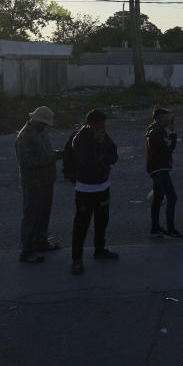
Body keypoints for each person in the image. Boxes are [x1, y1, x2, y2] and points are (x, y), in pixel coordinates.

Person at [68, 109, 119, 275]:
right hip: (85, 189)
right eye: (99, 124)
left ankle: (100, 249)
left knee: (102, 221)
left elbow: (113, 155)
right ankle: (77, 260)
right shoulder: (80, 139)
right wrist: (98, 145)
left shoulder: (104, 136)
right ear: (90, 124)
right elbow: (88, 163)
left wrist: (102, 143)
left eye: (104, 124)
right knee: (81, 225)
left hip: (103, 186)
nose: (102, 127)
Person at [15, 106, 61, 263]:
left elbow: (44, 152)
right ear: (35, 120)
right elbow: (26, 162)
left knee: (43, 215)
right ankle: (26, 251)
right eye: (44, 122)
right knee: (31, 217)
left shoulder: (40, 131)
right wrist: (51, 158)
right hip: (33, 183)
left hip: (46, 180)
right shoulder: (24, 137)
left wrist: (57, 154)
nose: (45, 125)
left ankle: (41, 242)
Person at [146, 107, 182, 239]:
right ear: (160, 118)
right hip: (159, 168)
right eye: (166, 117)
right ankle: (171, 229)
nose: (168, 119)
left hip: (156, 168)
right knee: (172, 197)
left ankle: (155, 228)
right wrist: (173, 133)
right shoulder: (157, 132)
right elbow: (170, 147)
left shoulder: (155, 130)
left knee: (158, 199)